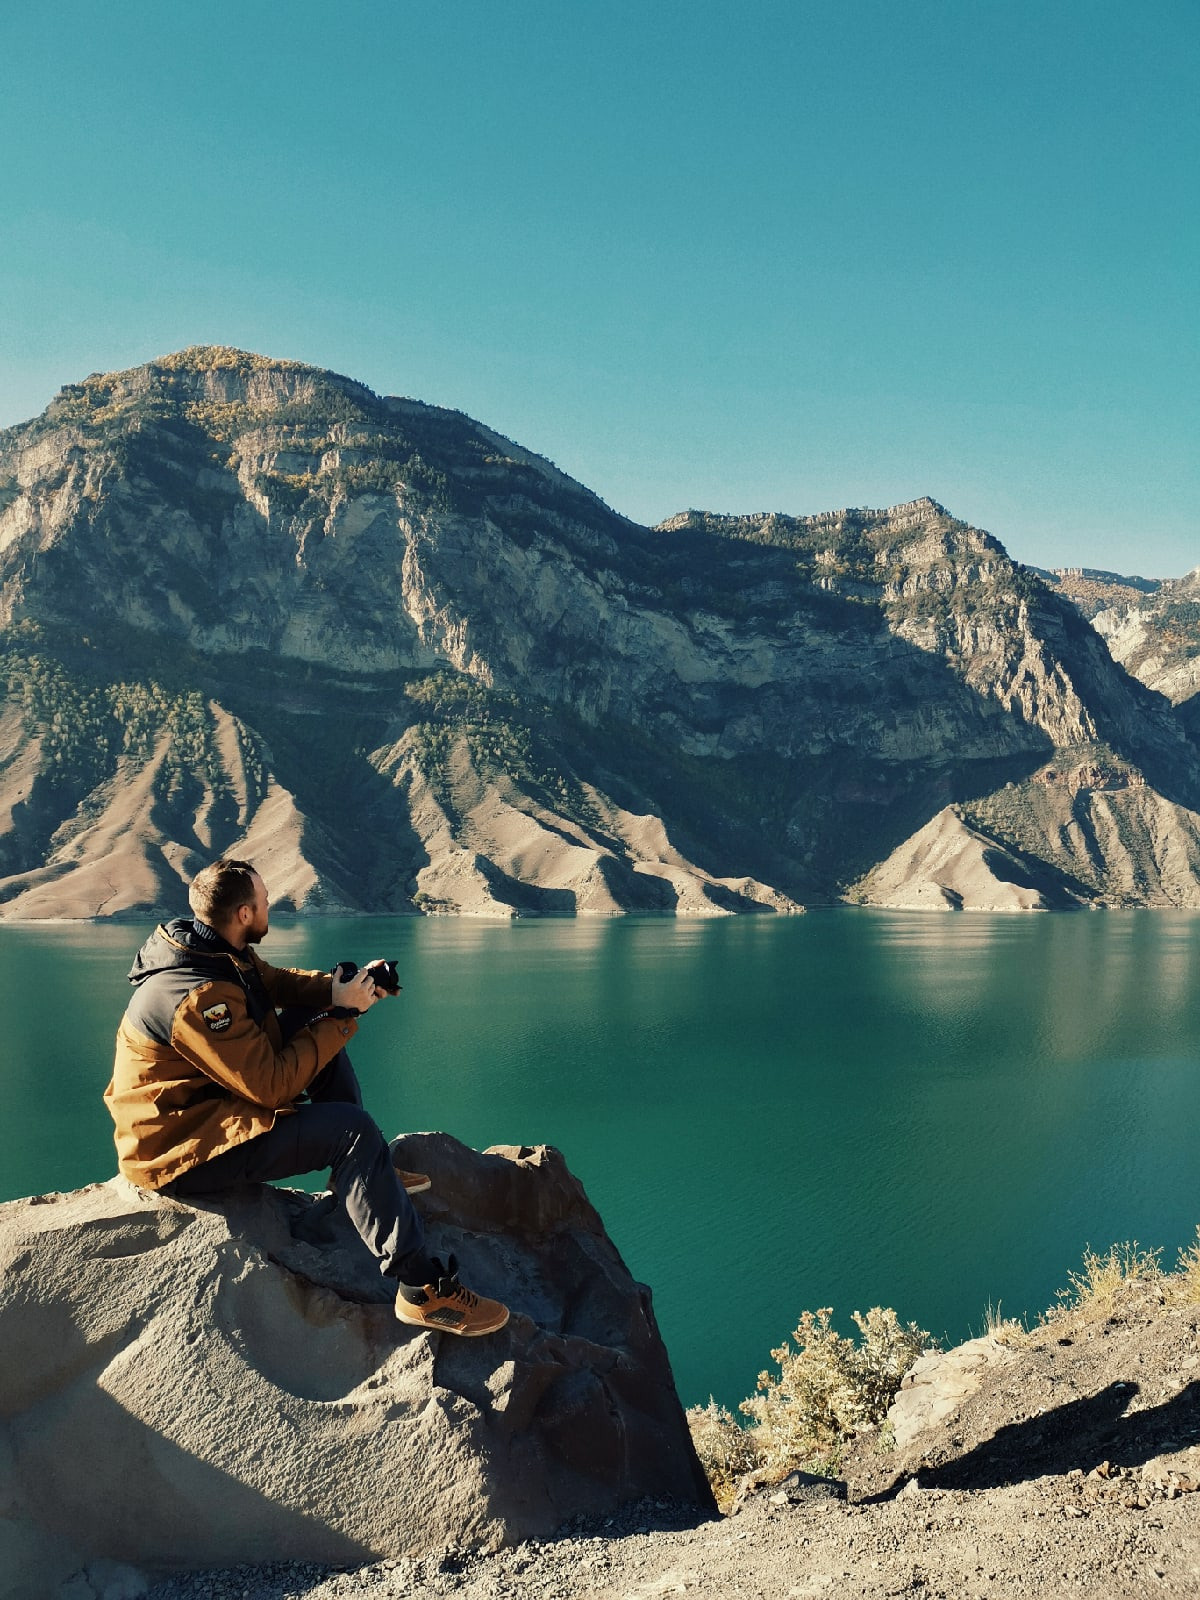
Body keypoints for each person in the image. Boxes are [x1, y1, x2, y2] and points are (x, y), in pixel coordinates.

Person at [105, 857, 509, 1337]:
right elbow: (273, 1086)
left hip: (210, 1108)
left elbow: (274, 984)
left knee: (311, 1031)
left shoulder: (211, 949)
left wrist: (341, 991)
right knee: (350, 1129)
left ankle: (362, 1176)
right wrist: (342, 1018)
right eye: (264, 899)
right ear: (244, 915)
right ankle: (421, 1290)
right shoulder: (198, 997)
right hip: (184, 1151)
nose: (270, 903)